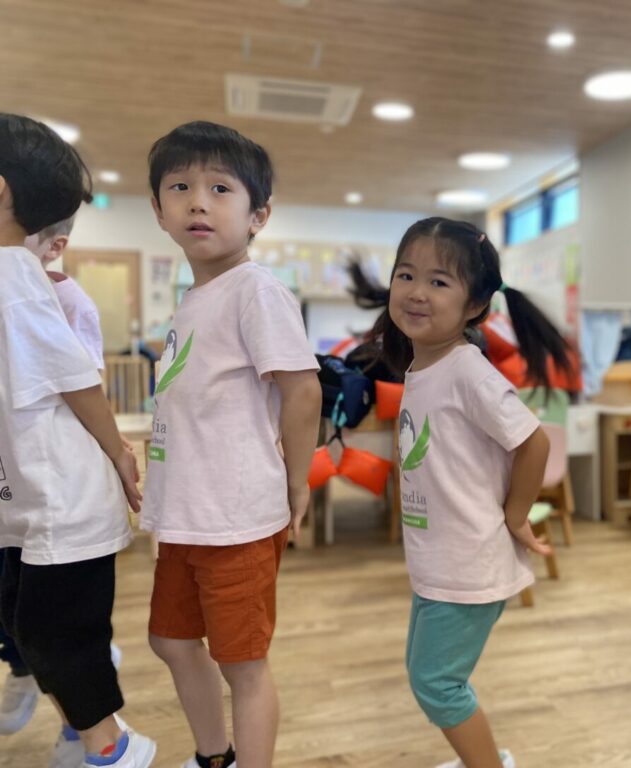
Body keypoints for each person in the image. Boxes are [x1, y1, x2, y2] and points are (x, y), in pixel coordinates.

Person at [352, 217, 571, 768]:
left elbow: (534, 443)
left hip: (469, 561)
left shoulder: (468, 373)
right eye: (406, 275)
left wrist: (516, 516)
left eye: (439, 281)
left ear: (475, 305)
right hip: (439, 557)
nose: (416, 292)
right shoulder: (423, 368)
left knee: (438, 685)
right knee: (427, 674)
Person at [142, 121, 321, 768]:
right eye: (180, 187)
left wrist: (297, 481)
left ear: (258, 215)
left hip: (235, 518)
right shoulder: (197, 298)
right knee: (170, 639)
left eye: (220, 188)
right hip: (189, 515)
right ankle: (214, 757)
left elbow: (303, 390)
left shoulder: (256, 289)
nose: (198, 201)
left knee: (242, 662)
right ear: (158, 209)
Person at [0, 112, 155, 768]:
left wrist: (118, 451)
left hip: (63, 499)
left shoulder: (13, 272)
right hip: (29, 497)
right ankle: (79, 731)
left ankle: (113, 747)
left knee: (55, 636)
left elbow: (75, 378)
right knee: (24, 626)